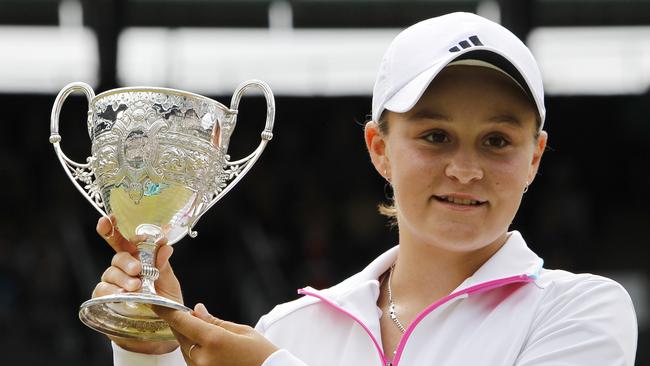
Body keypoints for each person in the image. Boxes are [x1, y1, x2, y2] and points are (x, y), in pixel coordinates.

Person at [92, 12, 638, 366]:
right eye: (435, 135)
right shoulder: (291, 327)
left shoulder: (581, 311)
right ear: (379, 148)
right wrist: (149, 348)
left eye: (497, 140)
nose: (466, 169)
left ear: (534, 157)